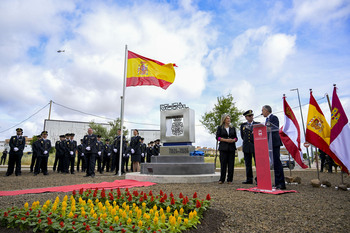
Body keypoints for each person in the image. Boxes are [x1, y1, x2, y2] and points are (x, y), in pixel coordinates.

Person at [262, 105, 286, 190]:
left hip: (275, 143)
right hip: (269, 143)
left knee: (277, 162)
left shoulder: (274, 118)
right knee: (274, 164)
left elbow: (274, 128)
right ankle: (276, 183)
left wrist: (265, 128)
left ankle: (281, 183)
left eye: (263, 111)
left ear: (267, 110)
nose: (262, 112)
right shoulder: (266, 120)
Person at [216, 114, 238, 184]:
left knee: (231, 164)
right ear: (224, 120)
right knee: (223, 164)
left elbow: (236, 138)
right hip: (223, 148)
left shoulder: (233, 128)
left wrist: (233, 140)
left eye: (229, 118)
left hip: (231, 148)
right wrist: (225, 140)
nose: (229, 119)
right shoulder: (220, 128)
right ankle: (222, 179)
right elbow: (217, 137)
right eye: (227, 118)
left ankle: (229, 179)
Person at [240, 110, 259, 184]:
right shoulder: (243, 125)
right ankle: (249, 179)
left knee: (257, 163)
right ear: (246, 117)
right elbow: (242, 136)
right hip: (246, 146)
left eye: (252, 115)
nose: (251, 117)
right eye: (249, 116)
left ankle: (259, 179)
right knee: (248, 164)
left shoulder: (257, 124)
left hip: (255, 146)